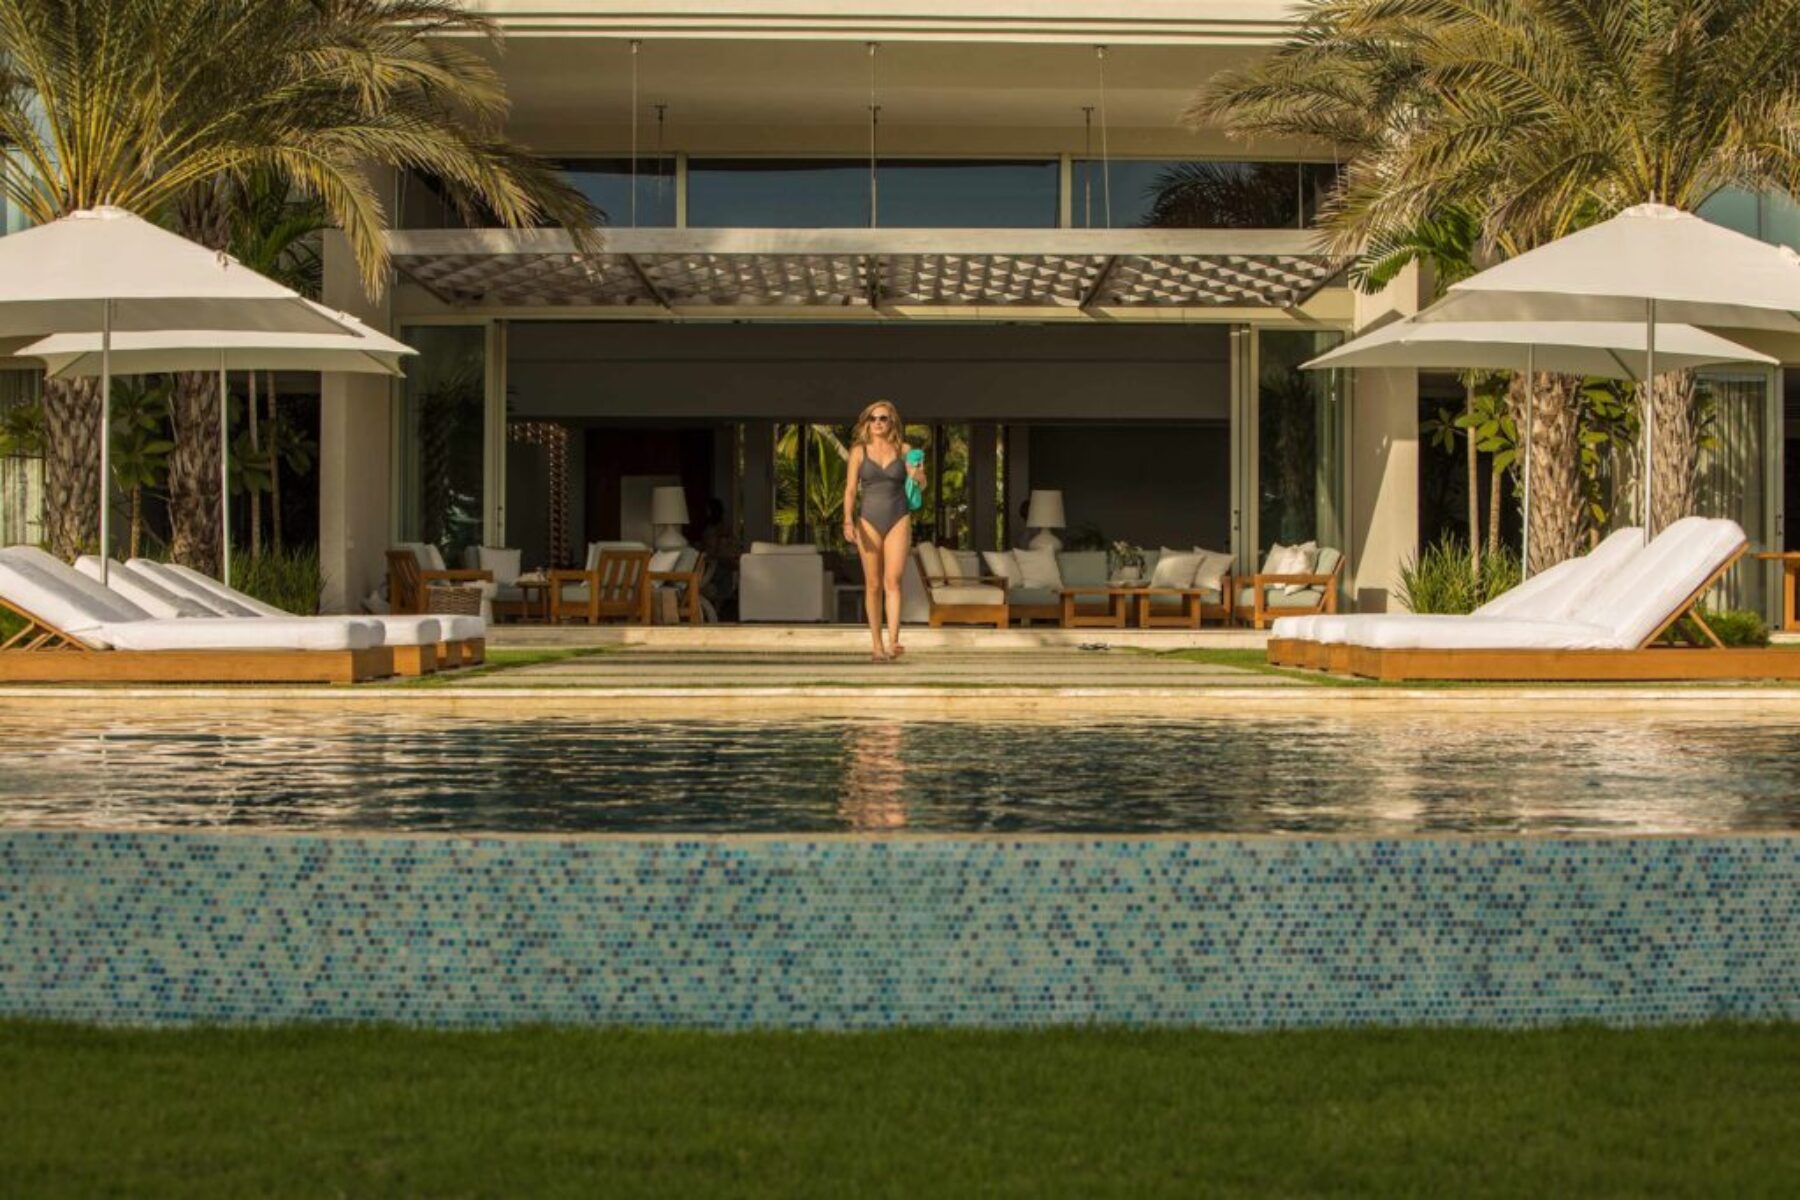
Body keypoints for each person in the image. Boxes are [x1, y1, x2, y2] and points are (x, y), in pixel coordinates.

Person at [842, 399, 925, 663]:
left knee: (893, 581)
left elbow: (921, 485)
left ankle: (893, 642)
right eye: (873, 418)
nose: (877, 423)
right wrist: (847, 520)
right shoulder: (859, 451)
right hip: (868, 520)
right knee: (874, 584)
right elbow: (851, 490)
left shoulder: (905, 450)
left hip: (898, 517)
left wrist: (916, 474)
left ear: (892, 422)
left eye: (883, 418)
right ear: (867, 422)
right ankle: (876, 645)